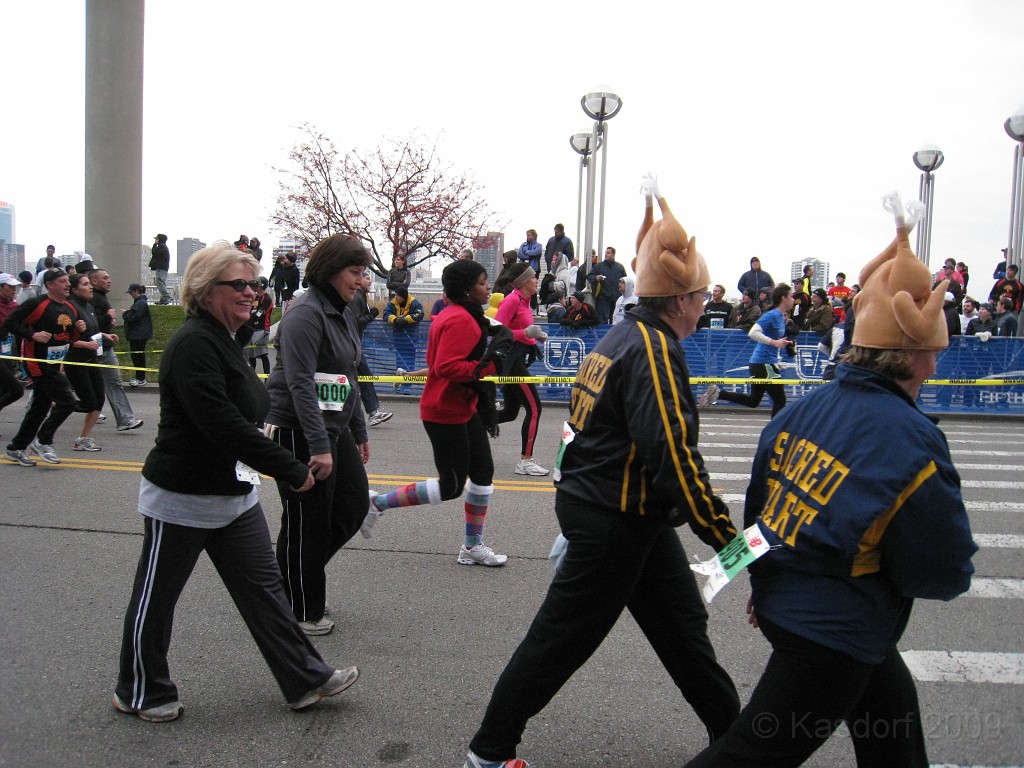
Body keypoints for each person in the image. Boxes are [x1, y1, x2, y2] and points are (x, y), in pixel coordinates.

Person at [684, 195, 976, 768]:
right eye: (934, 351)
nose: (937, 363)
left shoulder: (802, 410)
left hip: (799, 608)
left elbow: (762, 506)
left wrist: (764, 577)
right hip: (833, 630)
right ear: (919, 354)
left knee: (892, 725)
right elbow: (940, 568)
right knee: (750, 755)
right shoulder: (912, 440)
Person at [463, 176, 740, 768]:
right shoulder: (655, 348)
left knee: (683, 631)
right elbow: (676, 461)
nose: (705, 304)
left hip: (623, 512)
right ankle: (488, 753)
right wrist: (732, 543)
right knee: (560, 641)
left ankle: (738, 743)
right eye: (702, 294)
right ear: (683, 299)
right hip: (615, 517)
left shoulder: (622, 335)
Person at [113, 241, 359, 724]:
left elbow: (248, 411)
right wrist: (290, 466)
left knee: (266, 594)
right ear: (206, 290)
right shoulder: (193, 344)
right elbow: (221, 422)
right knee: (156, 598)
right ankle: (139, 689)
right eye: (239, 285)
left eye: (255, 284)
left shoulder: (227, 340)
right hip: (182, 497)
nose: (251, 292)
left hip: (234, 495)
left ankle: (304, 678)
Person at [361, 259, 513, 568]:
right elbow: (445, 367)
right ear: (468, 290)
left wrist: (521, 337)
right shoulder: (460, 320)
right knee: (451, 486)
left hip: (461, 406)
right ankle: (376, 503)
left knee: (483, 474)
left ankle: (472, 546)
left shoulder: (464, 315)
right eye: (484, 283)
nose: (488, 288)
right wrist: (490, 366)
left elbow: (490, 337)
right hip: (445, 411)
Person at [264, 235, 373, 636]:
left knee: (352, 508)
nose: (360, 281)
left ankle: (285, 579)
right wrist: (320, 446)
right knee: (306, 521)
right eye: (355, 273)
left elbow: (349, 375)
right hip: (297, 429)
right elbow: (300, 385)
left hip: (334, 427)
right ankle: (301, 609)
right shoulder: (304, 315)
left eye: (362, 274)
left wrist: (358, 429)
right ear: (329, 270)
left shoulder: (341, 311)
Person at [3, 268, 85, 466]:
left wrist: (79, 330)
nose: (67, 285)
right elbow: (10, 323)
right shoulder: (37, 304)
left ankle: (16, 447)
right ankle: (43, 441)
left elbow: (69, 337)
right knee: (67, 402)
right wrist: (32, 335)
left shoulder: (70, 308)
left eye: (68, 281)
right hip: (37, 364)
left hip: (55, 364)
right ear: (49, 284)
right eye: (62, 281)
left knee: (39, 408)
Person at [700, 283, 794, 418]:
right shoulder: (771, 315)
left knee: (754, 401)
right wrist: (774, 342)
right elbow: (753, 332)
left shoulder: (780, 316)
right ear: (783, 298)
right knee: (780, 400)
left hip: (765, 362)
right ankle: (774, 434)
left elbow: (772, 337)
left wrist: (783, 343)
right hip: (764, 363)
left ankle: (720, 393)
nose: (793, 299)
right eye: (791, 296)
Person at [494, 262, 549, 476]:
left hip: (517, 358)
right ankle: (526, 461)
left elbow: (522, 330)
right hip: (511, 361)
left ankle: (473, 423)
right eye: (534, 277)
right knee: (535, 408)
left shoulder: (525, 301)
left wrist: (536, 337)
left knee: (509, 412)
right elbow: (497, 331)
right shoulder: (512, 300)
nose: (537, 280)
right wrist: (525, 334)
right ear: (525, 282)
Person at [86, 265, 144, 432]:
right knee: (74, 382)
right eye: (105, 278)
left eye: (109, 277)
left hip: (103, 347)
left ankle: (125, 419)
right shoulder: (93, 299)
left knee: (113, 382)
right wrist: (107, 317)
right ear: (94, 281)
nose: (109, 280)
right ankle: (52, 402)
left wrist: (108, 330)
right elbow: (90, 324)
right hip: (93, 348)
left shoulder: (101, 297)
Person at [65, 273, 106, 452]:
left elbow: (92, 330)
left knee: (99, 401)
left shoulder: (88, 306)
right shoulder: (70, 308)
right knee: (89, 402)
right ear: (74, 289)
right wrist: (86, 344)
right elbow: (64, 338)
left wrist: (105, 335)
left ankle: (83, 439)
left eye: (90, 284)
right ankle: (55, 402)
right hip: (75, 361)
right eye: (85, 284)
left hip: (91, 358)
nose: (90, 287)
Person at [350, 269, 393, 427]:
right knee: (360, 377)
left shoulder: (361, 296)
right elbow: (354, 321)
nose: (370, 282)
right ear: (359, 280)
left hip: (355, 343)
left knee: (362, 377)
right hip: (351, 344)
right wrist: (372, 315)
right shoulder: (356, 297)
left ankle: (372, 412)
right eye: (367, 278)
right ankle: (369, 413)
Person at [383, 286, 424, 393]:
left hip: (411, 336)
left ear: (403, 296)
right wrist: (395, 319)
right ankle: (399, 380)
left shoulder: (415, 303)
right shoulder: (392, 303)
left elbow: (420, 314)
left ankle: (407, 385)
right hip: (398, 336)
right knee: (399, 359)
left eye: (398, 295)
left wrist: (406, 320)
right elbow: (385, 314)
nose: (396, 297)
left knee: (410, 359)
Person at [0, 273, 25, 419]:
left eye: (15, 286)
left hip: (8, 354)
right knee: (16, 390)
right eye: (10, 287)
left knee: (4, 392)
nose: (14, 290)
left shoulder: (15, 307)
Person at [122, 283, 153, 386]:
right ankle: (139, 377)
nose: (131, 295)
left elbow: (134, 317)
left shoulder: (140, 303)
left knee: (137, 356)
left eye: (131, 293)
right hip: (138, 334)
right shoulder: (140, 302)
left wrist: (125, 314)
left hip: (138, 335)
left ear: (136, 291)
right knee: (137, 356)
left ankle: (140, 378)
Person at [587, 246, 627, 323]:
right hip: (602, 299)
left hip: (616, 299)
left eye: (608, 253)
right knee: (602, 320)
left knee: (615, 320)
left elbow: (625, 280)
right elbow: (589, 276)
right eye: (606, 253)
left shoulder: (620, 267)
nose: (606, 254)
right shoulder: (599, 266)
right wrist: (596, 278)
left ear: (613, 255)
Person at [243, 277, 274, 375]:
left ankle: (267, 378)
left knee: (262, 353)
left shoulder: (267, 298)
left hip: (262, 329)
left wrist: (250, 317)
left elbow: (260, 313)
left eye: (257, 284)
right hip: (252, 328)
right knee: (251, 355)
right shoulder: (255, 296)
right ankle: (253, 376)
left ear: (261, 286)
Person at [150, 234, 172, 305]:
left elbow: (154, 252)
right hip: (163, 268)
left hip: (161, 268)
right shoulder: (163, 247)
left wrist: (154, 245)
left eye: (156, 239)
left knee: (159, 281)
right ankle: (163, 299)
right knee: (160, 282)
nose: (155, 240)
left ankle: (166, 297)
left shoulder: (162, 247)